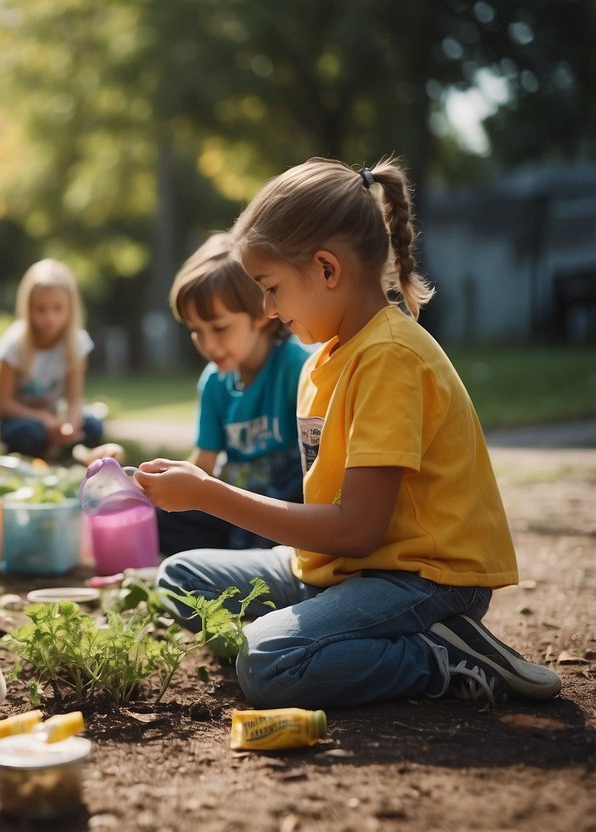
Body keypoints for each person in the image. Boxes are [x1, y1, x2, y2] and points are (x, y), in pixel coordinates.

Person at [135, 157, 561, 710]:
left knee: (266, 663)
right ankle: (334, 639)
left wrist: (209, 496)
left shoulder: (390, 356)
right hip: (340, 571)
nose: (266, 308)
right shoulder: (322, 360)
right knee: (180, 575)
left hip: (422, 579)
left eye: (271, 288)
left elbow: (358, 529)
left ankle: (435, 652)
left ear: (327, 269)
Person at [156, 232, 312, 555]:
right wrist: (151, 481)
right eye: (196, 330)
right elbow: (204, 466)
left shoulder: (296, 368)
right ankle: (237, 556)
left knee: (295, 481)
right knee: (160, 516)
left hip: (287, 512)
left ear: (260, 312)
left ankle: (249, 558)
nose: (207, 344)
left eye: (219, 328)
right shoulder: (214, 382)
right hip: (235, 511)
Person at [0, 258, 104, 459]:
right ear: (28, 308)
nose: (49, 317)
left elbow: (74, 399)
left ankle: (59, 448)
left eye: (57, 308)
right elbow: (5, 403)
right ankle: (51, 450)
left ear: (70, 308)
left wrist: (70, 425)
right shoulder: (13, 344)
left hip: (54, 417)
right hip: (22, 419)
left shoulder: (77, 344)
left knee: (93, 426)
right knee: (28, 433)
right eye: (41, 309)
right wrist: (43, 418)